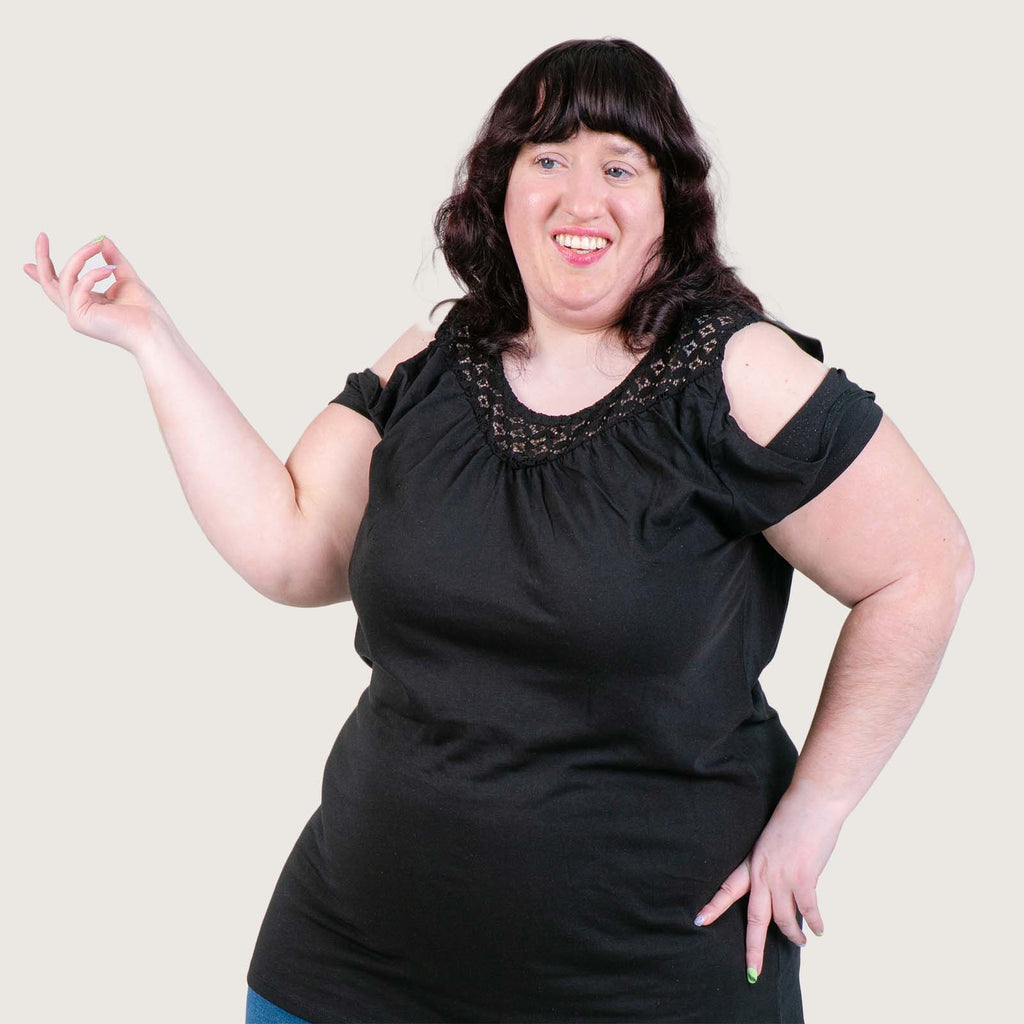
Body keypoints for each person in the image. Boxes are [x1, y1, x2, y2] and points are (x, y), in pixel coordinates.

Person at [24, 36, 973, 1024]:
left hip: (640, 986)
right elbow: (290, 542)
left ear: (667, 203)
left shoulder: (740, 373)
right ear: (501, 188)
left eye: (619, 165)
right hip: (349, 967)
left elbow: (924, 567)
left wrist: (813, 816)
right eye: (547, 159)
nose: (580, 195)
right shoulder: (434, 354)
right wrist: (148, 337)